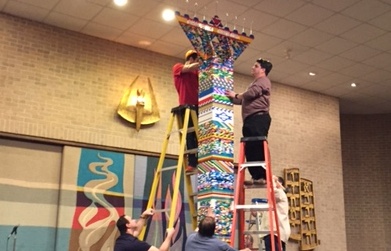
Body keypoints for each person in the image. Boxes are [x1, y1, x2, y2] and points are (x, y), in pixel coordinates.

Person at [225, 58, 273, 185]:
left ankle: (261, 175)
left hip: (258, 117)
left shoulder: (263, 81)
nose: (253, 67)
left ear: (263, 70)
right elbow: (242, 100)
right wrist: (229, 97)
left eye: (256, 66)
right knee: (250, 148)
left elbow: (251, 94)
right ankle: (256, 176)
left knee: (256, 146)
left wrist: (235, 95)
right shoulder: (255, 83)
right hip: (251, 119)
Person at [172, 49, 200, 172]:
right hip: (186, 106)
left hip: (197, 106)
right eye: (197, 61)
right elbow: (187, 68)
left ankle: (200, 161)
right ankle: (192, 163)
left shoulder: (196, 73)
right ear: (191, 59)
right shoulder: (178, 67)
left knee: (199, 134)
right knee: (189, 135)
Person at [185, 209, 251, 251]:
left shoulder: (190, 237)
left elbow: (198, 229)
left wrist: (208, 217)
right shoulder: (218, 245)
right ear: (214, 231)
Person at [260, 176, 291, 251]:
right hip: (272, 232)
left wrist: (273, 180)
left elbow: (272, 191)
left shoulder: (280, 193)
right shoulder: (278, 195)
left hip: (276, 232)